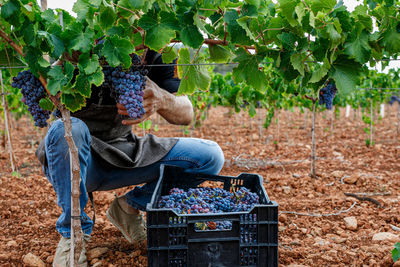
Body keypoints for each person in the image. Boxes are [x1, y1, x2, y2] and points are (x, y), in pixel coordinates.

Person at [36, 50, 225, 267]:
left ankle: (127, 207)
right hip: (75, 159)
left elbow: (187, 113)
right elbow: (42, 100)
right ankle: (73, 234)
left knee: (209, 156)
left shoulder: (159, 49)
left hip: (124, 152)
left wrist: (162, 99)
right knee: (66, 129)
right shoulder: (83, 39)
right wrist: (63, 63)